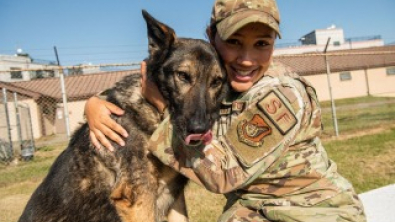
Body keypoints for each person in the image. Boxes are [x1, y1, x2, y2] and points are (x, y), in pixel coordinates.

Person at [84, 0, 366, 221]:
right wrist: (94, 104)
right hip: (255, 208)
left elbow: (220, 175)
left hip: (312, 210)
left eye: (262, 44)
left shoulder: (280, 96)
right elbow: (153, 84)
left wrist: (160, 107)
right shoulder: (221, 79)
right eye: (234, 42)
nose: (246, 59)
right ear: (212, 38)